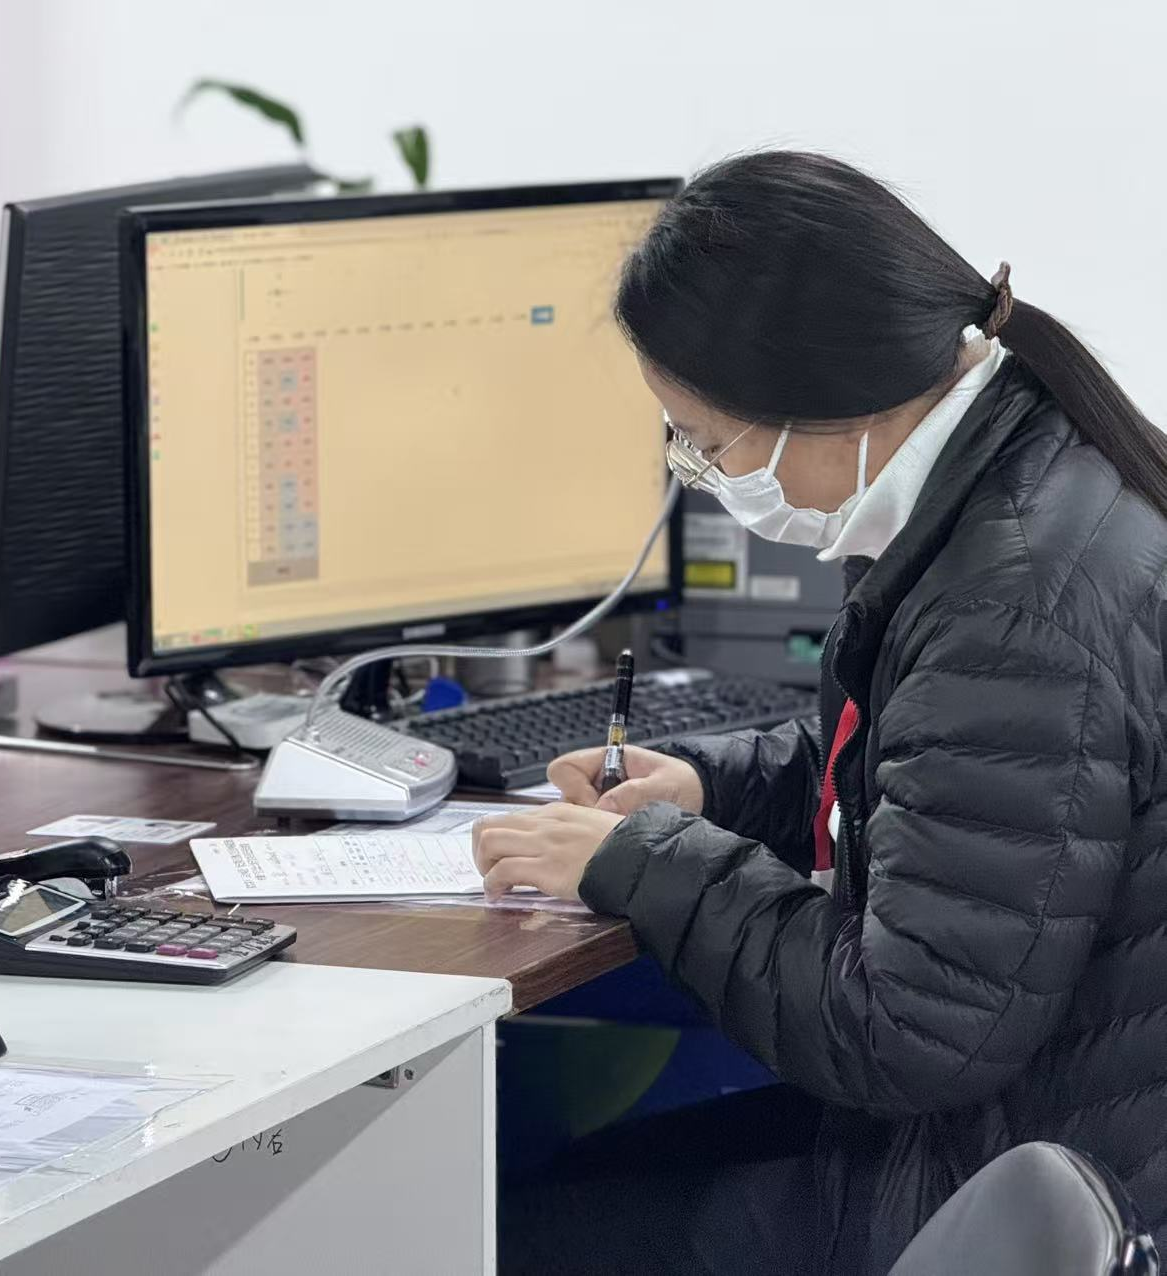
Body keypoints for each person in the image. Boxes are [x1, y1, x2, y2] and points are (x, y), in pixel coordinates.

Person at [476, 150, 1167, 1274]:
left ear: (823, 399)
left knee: (500, 1229)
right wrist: (709, 787)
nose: (703, 474)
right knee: (548, 1181)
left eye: (708, 443)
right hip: (1032, 1123)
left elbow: (905, 1029)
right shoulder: (1034, 462)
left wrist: (640, 861)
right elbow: (949, 777)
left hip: (1013, 1171)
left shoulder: (1010, 601)